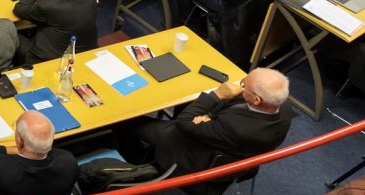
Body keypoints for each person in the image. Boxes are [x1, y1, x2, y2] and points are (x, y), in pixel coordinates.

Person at [117, 68, 291, 177]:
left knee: (124, 120)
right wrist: (210, 117)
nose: (240, 86)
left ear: (256, 100)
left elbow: (184, 123)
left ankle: (138, 161)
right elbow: (233, 109)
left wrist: (218, 95)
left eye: (244, 85)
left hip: (193, 157)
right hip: (226, 146)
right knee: (190, 104)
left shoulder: (235, 128)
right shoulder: (282, 107)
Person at [13, 0, 97, 63]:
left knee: (13, 35)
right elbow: (67, 0)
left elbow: (19, 9)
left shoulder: (46, 4)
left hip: (53, 58)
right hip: (86, 53)